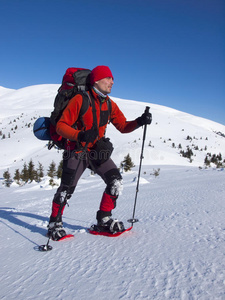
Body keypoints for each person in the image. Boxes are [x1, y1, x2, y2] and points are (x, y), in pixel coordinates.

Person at [47, 65, 152, 240]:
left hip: (97, 151)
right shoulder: (81, 99)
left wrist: (140, 121)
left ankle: (103, 219)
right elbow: (60, 126)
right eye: (108, 78)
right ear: (96, 80)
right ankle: (54, 224)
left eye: (112, 79)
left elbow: (123, 126)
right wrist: (79, 134)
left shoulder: (109, 103)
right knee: (66, 189)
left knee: (115, 182)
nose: (112, 81)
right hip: (77, 150)